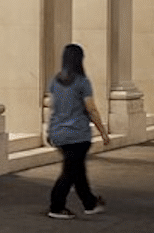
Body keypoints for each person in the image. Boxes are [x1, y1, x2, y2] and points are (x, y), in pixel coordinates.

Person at [46, 43, 111, 220]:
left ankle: (89, 203)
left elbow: (54, 108)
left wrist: (49, 130)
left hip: (58, 133)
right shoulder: (82, 82)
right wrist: (103, 131)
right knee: (70, 172)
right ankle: (56, 206)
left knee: (77, 170)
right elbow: (91, 109)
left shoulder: (55, 81)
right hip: (77, 135)